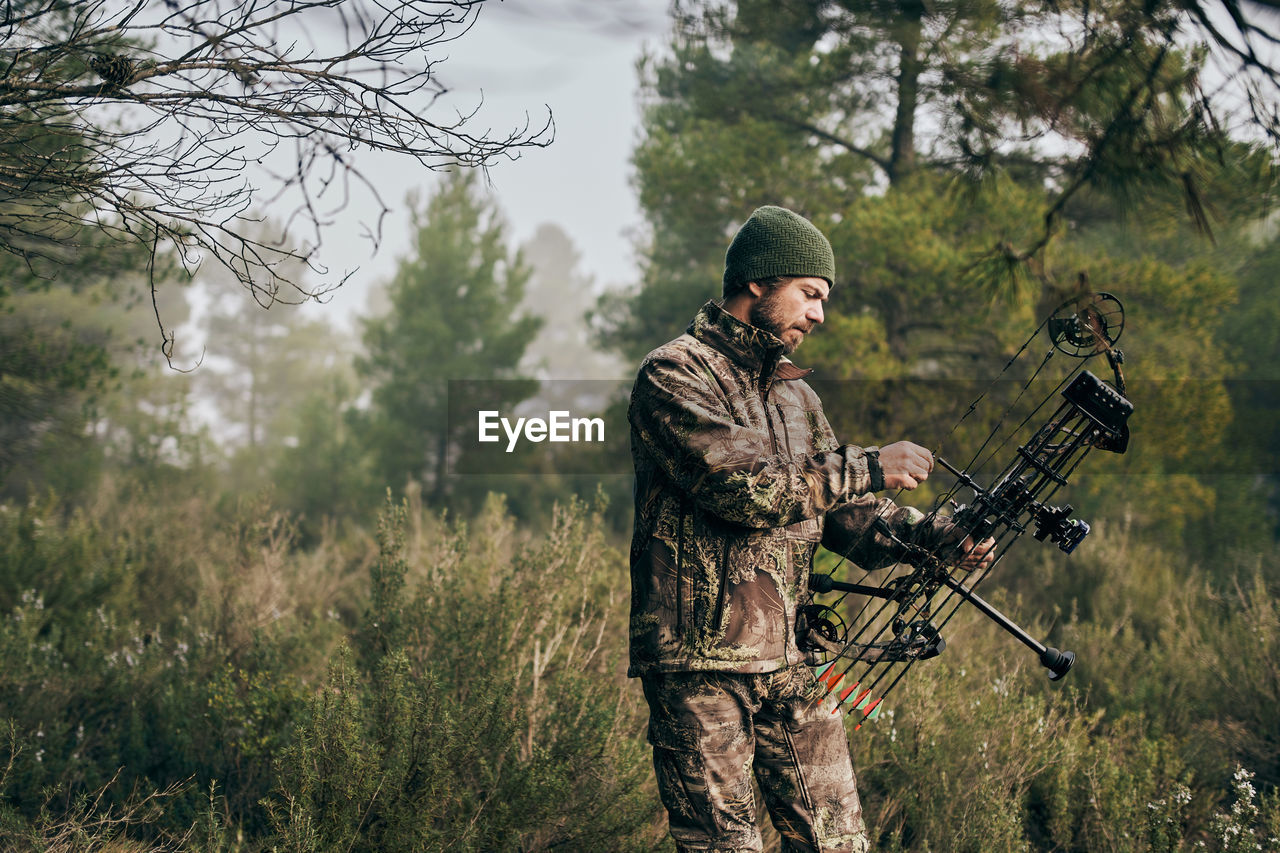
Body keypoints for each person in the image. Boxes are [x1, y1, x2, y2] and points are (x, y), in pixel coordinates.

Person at [627, 205, 994, 852]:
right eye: (810, 294)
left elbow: (848, 521)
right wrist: (870, 465)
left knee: (839, 842)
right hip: (701, 664)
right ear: (759, 282)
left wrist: (940, 537)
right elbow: (743, 488)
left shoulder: (798, 395)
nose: (819, 314)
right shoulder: (674, 374)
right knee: (725, 846)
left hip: (795, 659)